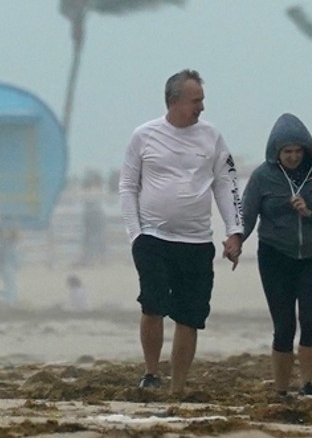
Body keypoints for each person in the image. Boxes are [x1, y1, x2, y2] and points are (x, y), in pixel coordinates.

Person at [119, 69, 244, 393]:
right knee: (154, 304)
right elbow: (128, 186)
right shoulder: (144, 135)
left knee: (190, 315)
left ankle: (177, 386)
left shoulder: (212, 137)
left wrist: (235, 232)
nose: (201, 107)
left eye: (202, 100)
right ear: (174, 101)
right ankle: (151, 372)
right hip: (153, 238)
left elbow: (226, 183)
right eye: (196, 100)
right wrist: (136, 234)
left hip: (197, 241)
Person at [240, 113, 312, 397]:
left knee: (310, 321)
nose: (294, 157)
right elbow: (247, 216)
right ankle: (281, 388)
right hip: (275, 255)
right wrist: (236, 241)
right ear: (276, 152)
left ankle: (307, 383)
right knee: (284, 325)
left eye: (298, 151)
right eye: (287, 152)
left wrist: (310, 212)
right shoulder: (263, 176)